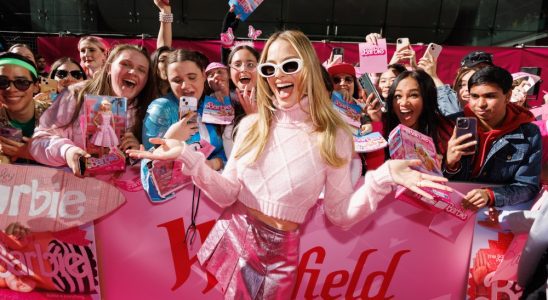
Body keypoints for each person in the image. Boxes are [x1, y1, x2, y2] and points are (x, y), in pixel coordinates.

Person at [127, 29, 450, 299]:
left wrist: (382, 177)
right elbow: (227, 194)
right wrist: (187, 154)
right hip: (236, 234)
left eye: (289, 65)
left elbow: (341, 215)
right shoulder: (253, 126)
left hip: (279, 255)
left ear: (308, 68)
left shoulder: (333, 135)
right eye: (269, 69)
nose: (278, 75)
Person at [30, 44, 155, 176]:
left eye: (141, 70)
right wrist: (67, 152)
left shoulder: (148, 111)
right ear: (108, 68)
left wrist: (137, 153)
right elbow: (38, 140)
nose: (133, 72)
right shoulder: (75, 95)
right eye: (126, 64)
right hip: (76, 188)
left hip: (120, 191)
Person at [444, 66, 541, 209]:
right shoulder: (451, 124)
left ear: (507, 96)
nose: (481, 104)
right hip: (449, 206)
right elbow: (430, 176)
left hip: (495, 215)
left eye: (490, 96)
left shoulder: (529, 133)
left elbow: (527, 187)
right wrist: (450, 164)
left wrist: (491, 195)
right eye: (474, 96)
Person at [142, 49, 226, 169]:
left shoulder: (212, 105)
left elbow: (230, 152)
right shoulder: (161, 108)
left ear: (203, 75)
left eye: (192, 77)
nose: (185, 86)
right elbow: (148, 167)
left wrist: (213, 164)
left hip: (214, 183)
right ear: (169, 82)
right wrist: (170, 139)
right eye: (177, 80)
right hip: (179, 187)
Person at [0, 52, 50, 163]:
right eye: (2, 82)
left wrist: (31, 153)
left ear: (36, 87)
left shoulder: (57, 116)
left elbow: (82, 158)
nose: (11, 89)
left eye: (22, 82)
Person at [384, 69, 445, 153]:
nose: (404, 103)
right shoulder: (383, 129)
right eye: (398, 96)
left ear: (427, 98)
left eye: (413, 95)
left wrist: (450, 164)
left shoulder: (443, 131)